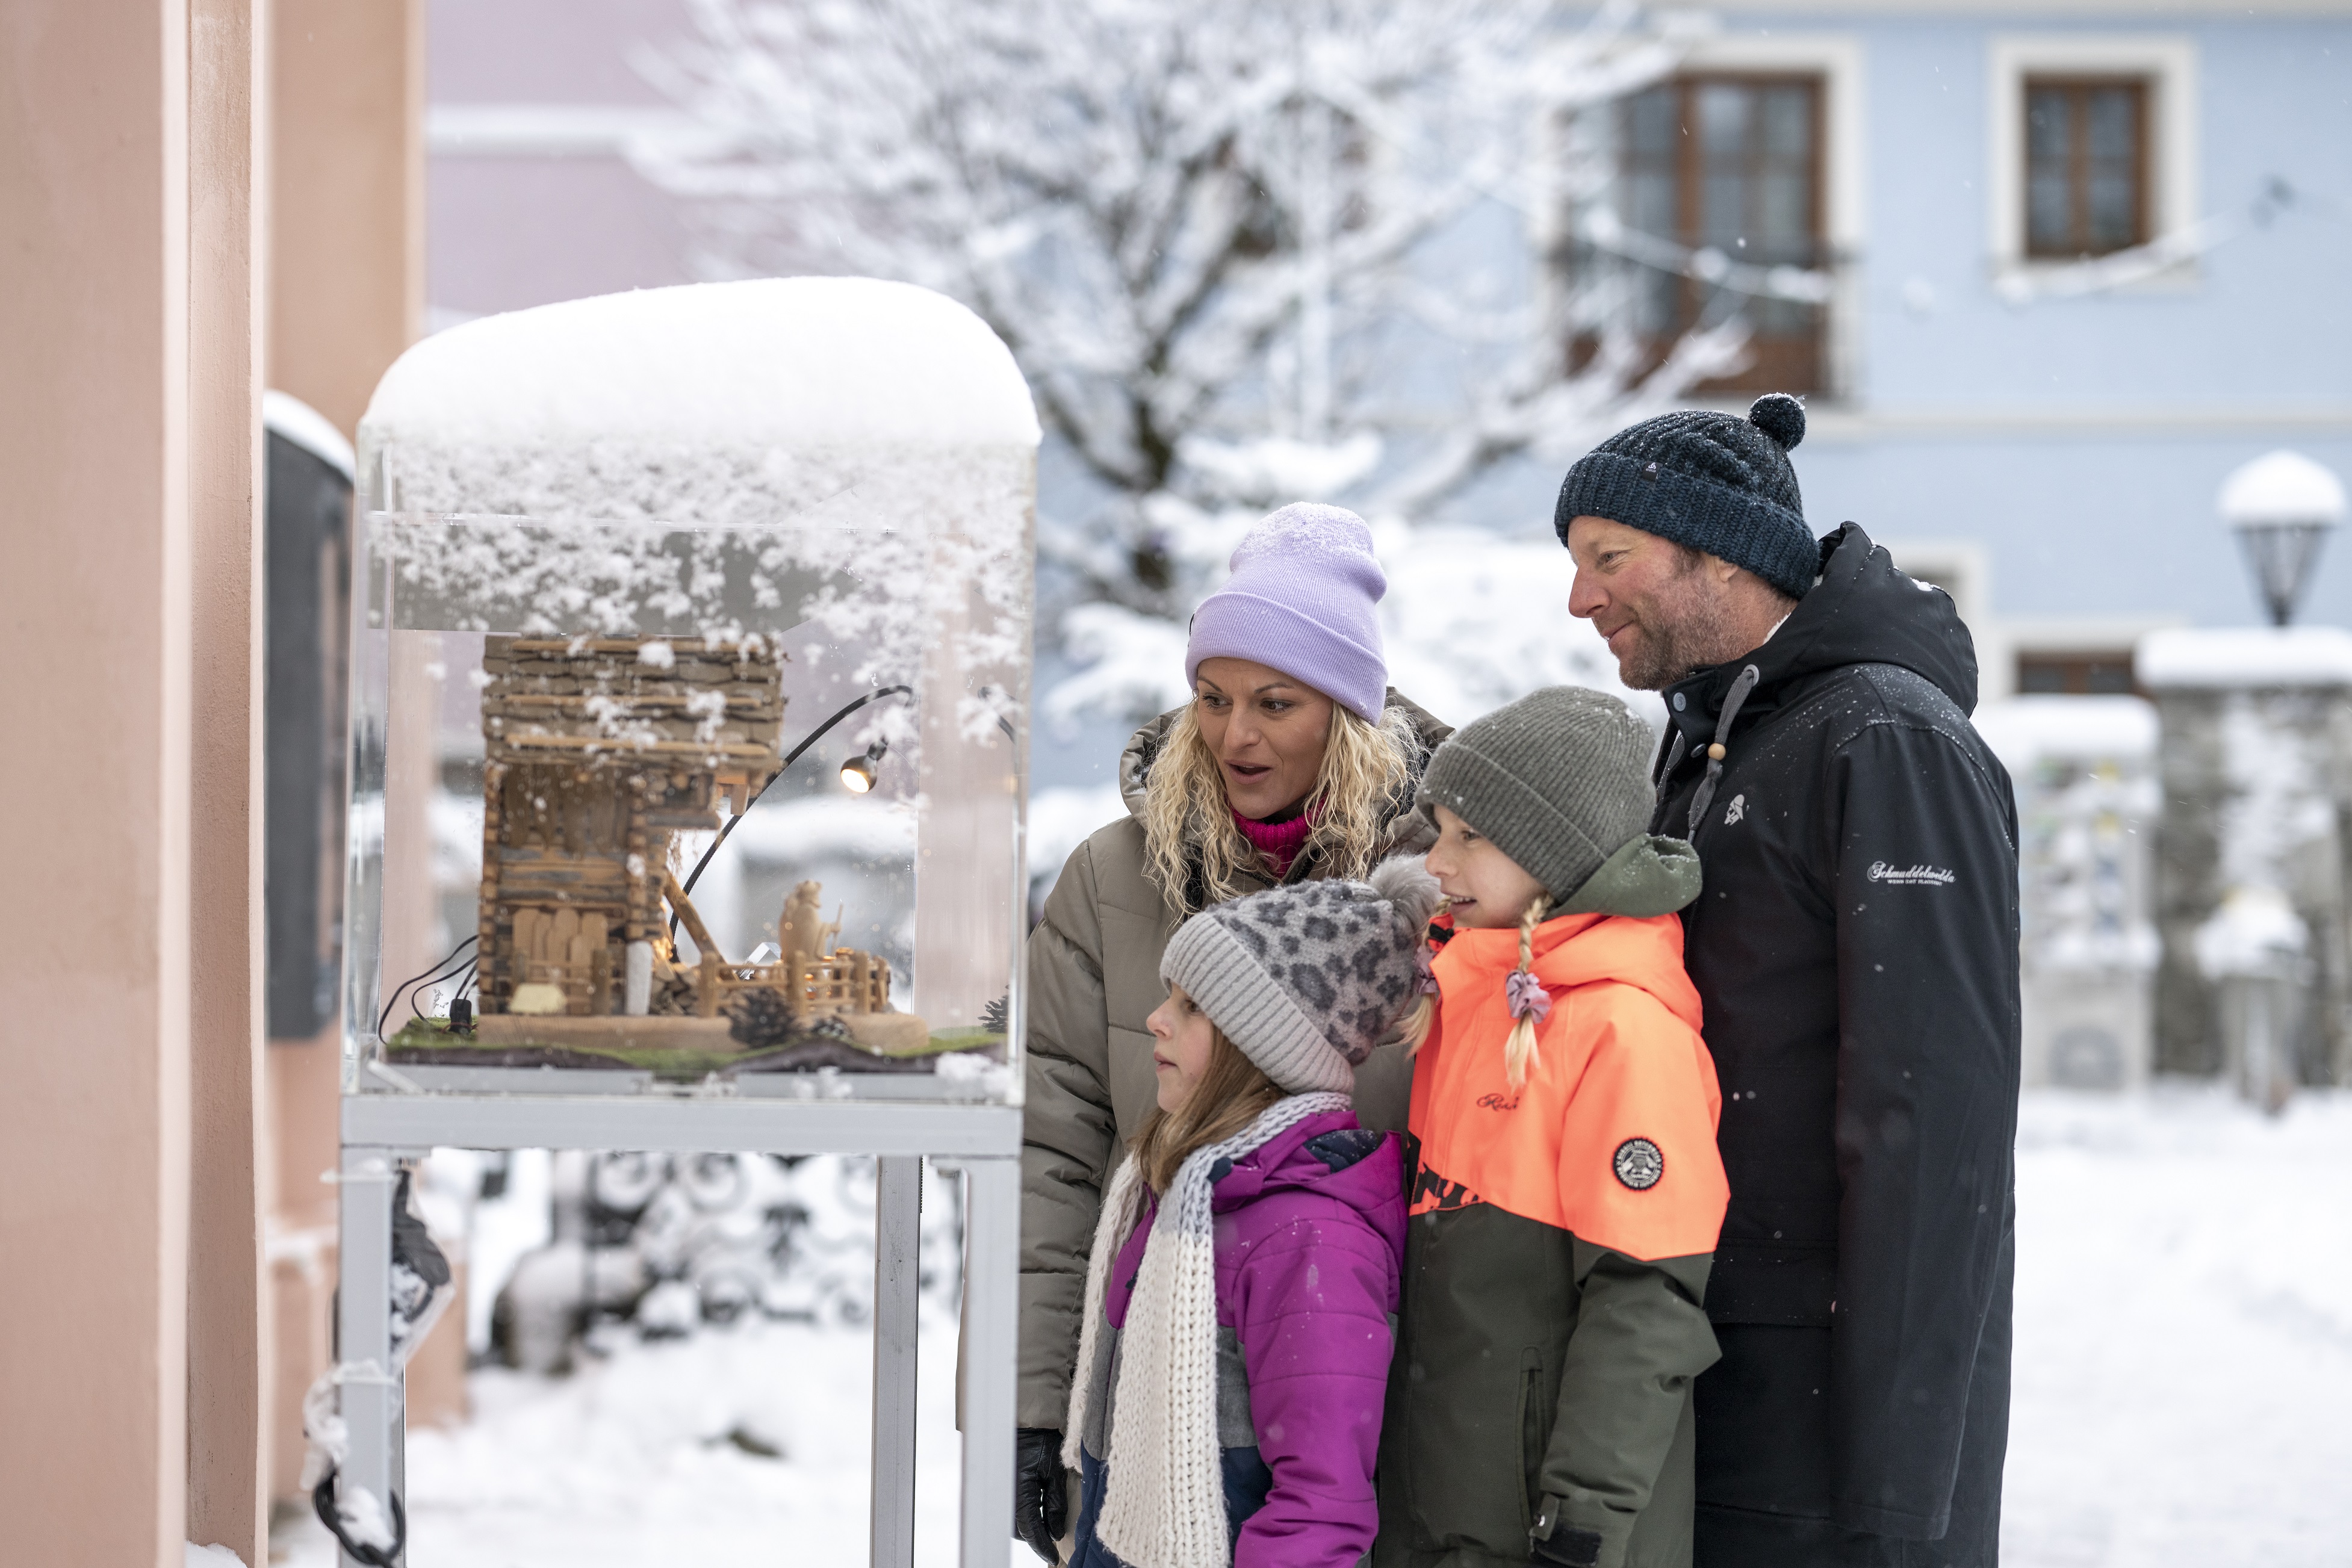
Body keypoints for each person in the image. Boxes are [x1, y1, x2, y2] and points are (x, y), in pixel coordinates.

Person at [1556, 394, 2020, 1568]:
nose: (1578, 598)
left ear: (1722, 556)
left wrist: (1900, 1506)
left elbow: (1933, 1128)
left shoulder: (1886, 744)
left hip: (1823, 1438)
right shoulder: (1714, 736)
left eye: (1610, 559)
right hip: (1716, 1380)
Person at [1016, 503, 1451, 1562]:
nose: (1234, 734)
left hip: (1373, 1391)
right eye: (1210, 699)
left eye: (1275, 702)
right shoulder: (1113, 882)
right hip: (1153, 1397)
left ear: (1346, 713)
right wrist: (1032, 1407)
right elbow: (1051, 1157)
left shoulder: (1446, 884)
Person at [1374, 687, 1730, 1568]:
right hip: (1437, 1504)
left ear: (1549, 856)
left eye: (1469, 837)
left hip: (1544, 1527)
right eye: (1439, 830)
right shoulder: (1459, 993)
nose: (1437, 863)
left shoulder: (1622, 1029)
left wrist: (1584, 1520)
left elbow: (1644, 1298)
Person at [1063, 865, 1437, 1568]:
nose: (1156, 1018)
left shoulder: (1308, 1237)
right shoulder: (1184, 1196)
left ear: (1255, 1049)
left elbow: (1320, 1507)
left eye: (1192, 1007)